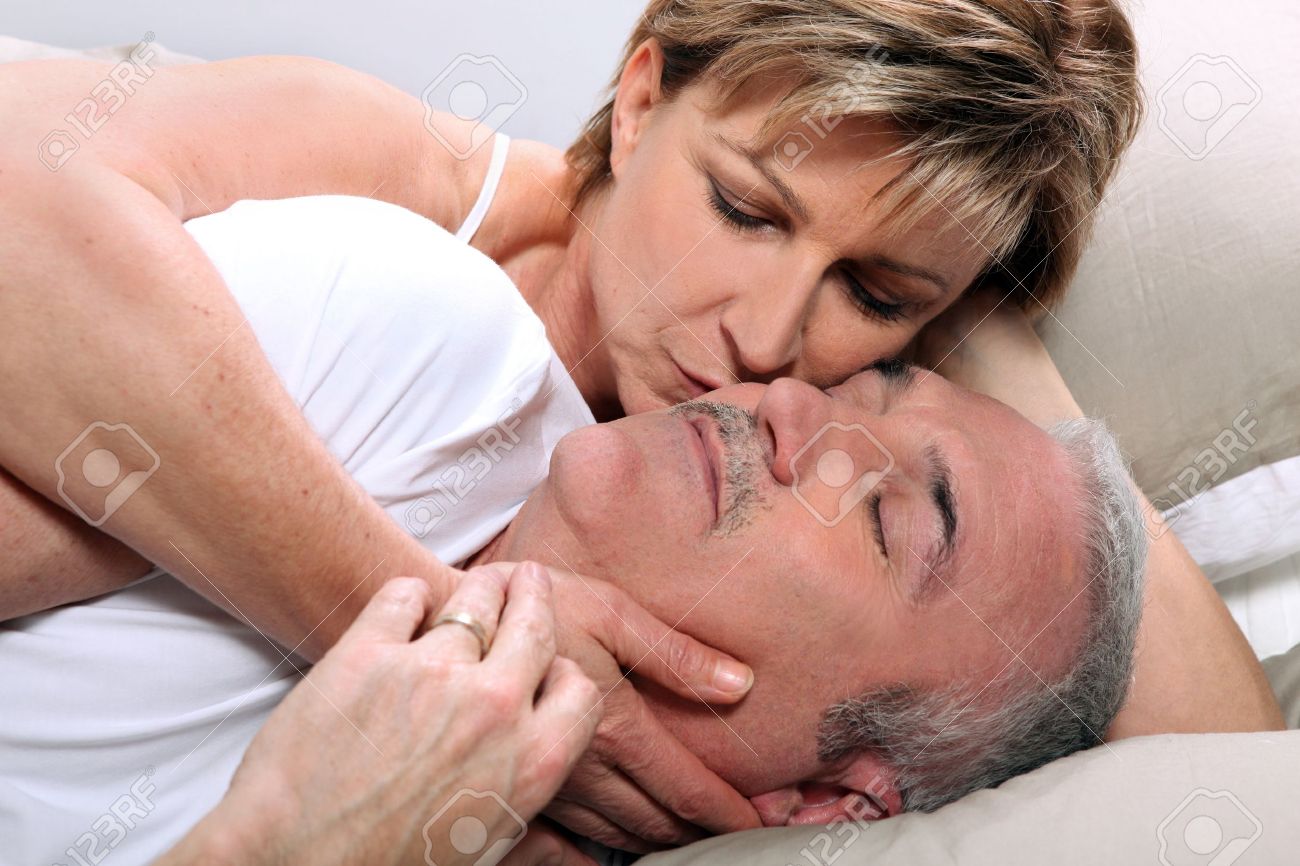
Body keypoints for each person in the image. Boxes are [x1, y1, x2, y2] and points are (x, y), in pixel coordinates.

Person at [0, 0, 1277, 848]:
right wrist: (449, 635)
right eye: (745, 209)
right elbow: (23, 223)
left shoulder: (772, 442)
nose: (766, 336)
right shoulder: (409, 226)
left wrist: (978, 317)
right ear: (640, 97)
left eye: (875, 294)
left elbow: (1217, 761)